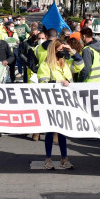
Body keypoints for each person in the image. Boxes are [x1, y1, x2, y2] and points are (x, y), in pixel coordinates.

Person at [38, 39, 80, 169]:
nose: (63, 52)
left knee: (63, 131)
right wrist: (59, 81)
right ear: (54, 50)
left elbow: (80, 64)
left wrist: (71, 51)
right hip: (51, 102)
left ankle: (64, 159)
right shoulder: (45, 65)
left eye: (63, 49)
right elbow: (42, 84)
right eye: (61, 49)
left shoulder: (65, 64)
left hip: (65, 102)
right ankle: (48, 159)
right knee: (50, 131)